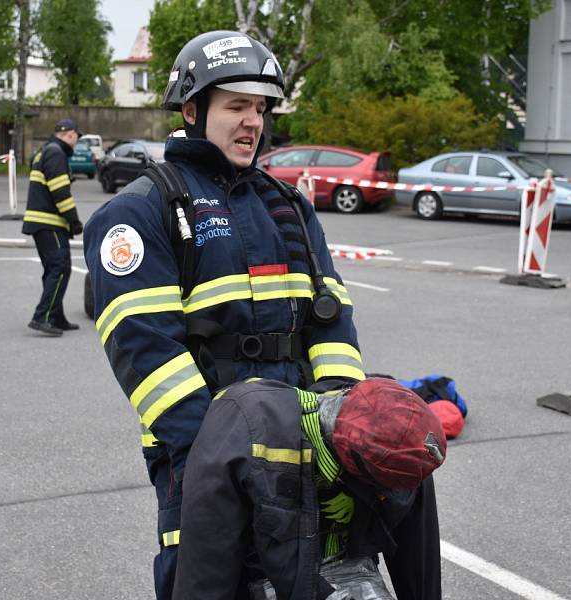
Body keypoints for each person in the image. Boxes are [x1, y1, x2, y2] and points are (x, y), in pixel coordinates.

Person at [84, 30, 437, 599]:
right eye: (237, 106)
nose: (253, 121)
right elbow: (143, 348)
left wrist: (339, 425)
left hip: (305, 439)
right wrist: (222, 456)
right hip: (201, 454)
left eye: (260, 107)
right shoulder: (141, 212)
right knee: (205, 583)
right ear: (193, 110)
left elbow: (331, 317)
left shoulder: (288, 205)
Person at [172, 377, 447, 600]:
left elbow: (418, 556)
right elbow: (206, 568)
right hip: (261, 578)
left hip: (342, 569)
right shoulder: (244, 434)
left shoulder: (405, 444)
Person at [23, 118, 84, 336]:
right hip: (49, 222)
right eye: (77, 136)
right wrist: (74, 220)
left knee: (54, 269)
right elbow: (59, 190)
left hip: (43, 222)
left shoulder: (46, 150)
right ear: (70, 134)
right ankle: (42, 316)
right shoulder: (56, 152)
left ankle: (56, 316)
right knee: (59, 268)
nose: (76, 141)